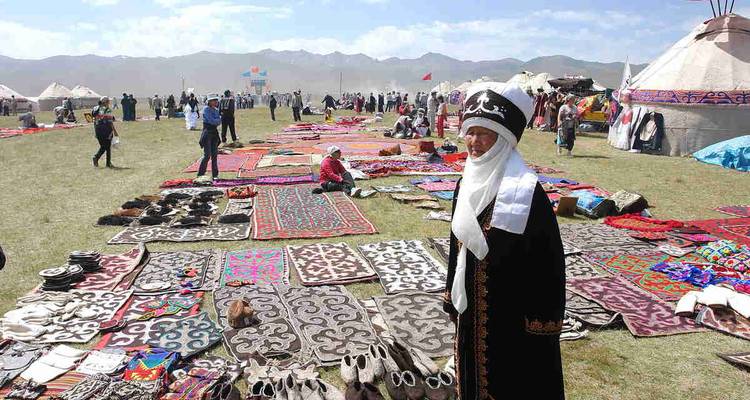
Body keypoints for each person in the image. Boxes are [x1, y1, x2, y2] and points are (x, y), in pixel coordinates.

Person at [444, 82, 565, 400]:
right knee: (470, 379)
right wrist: (450, 297)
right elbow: (456, 245)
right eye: (470, 131)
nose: (474, 141)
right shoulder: (464, 183)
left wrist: (541, 324)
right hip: (471, 310)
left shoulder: (527, 193)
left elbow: (547, 262)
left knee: (510, 383)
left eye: (485, 133)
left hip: (512, 318)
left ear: (505, 139)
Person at [196, 95, 222, 181]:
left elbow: (218, 121)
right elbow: (212, 121)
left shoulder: (216, 110)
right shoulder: (206, 109)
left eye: (216, 100)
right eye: (214, 100)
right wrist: (217, 120)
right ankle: (200, 174)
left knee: (214, 155)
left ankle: (215, 174)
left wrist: (217, 121)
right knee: (207, 155)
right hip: (207, 133)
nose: (215, 102)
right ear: (209, 101)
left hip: (214, 134)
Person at [92, 97, 119, 168]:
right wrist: (114, 131)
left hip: (98, 130)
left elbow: (95, 120)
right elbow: (110, 122)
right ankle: (97, 158)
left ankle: (107, 162)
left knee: (104, 147)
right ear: (105, 102)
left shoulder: (95, 109)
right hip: (106, 130)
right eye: (108, 102)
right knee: (106, 147)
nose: (109, 103)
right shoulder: (107, 110)